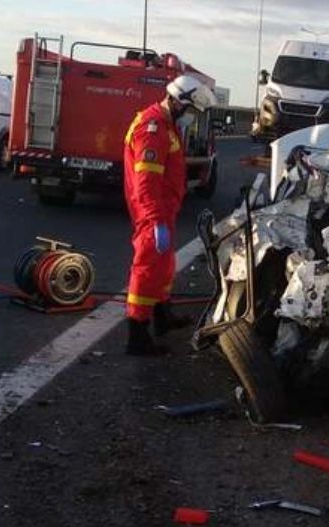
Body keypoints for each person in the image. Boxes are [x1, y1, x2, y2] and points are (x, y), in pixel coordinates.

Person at [123, 74, 217, 356]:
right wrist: (154, 221)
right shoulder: (153, 129)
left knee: (164, 265)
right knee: (147, 267)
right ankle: (137, 334)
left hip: (164, 209)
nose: (191, 117)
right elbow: (146, 183)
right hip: (153, 212)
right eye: (190, 111)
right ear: (177, 102)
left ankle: (163, 316)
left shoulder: (166, 124)